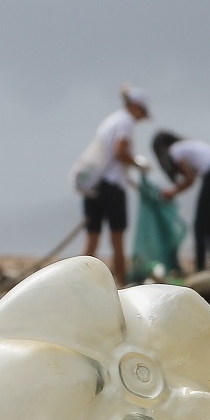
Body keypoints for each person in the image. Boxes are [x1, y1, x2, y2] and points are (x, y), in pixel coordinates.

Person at [74, 84, 149, 284]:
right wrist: (139, 164)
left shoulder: (110, 121)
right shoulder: (125, 123)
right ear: (135, 106)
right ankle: (121, 283)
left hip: (94, 185)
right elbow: (120, 151)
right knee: (117, 237)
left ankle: (79, 282)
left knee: (92, 238)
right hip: (111, 186)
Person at [152, 130, 210, 273]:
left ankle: (200, 267)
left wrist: (173, 191)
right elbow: (192, 179)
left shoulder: (175, 150)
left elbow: (190, 178)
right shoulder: (188, 147)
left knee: (200, 226)